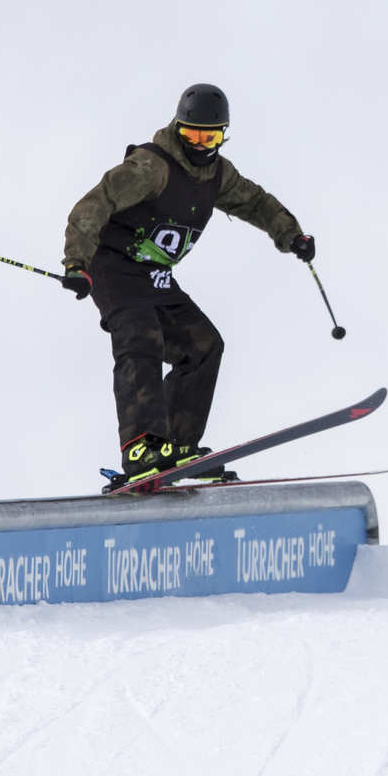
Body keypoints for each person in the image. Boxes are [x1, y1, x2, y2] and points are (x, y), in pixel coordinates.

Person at [62, 83, 313, 486]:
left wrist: (291, 234)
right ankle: (142, 446)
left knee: (203, 346)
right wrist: (77, 262)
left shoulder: (218, 176)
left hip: (155, 276)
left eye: (208, 138)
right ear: (177, 128)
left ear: (222, 136)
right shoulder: (151, 167)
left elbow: (255, 202)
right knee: (140, 336)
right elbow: (93, 206)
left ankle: (178, 446)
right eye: (191, 134)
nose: (198, 144)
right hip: (114, 268)